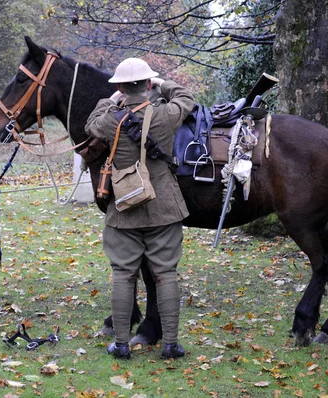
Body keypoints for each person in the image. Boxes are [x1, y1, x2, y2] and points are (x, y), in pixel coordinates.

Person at [85, 58, 195, 359]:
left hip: (124, 206)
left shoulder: (110, 119)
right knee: (166, 273)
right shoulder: (165, 115)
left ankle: (121, 344)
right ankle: (170, 344)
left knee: (123, 274)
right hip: (163, 206)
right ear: (147, 85)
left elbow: (91, 123)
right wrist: (162, 84)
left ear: (121, 87)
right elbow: (186, 98)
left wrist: (111, 99)